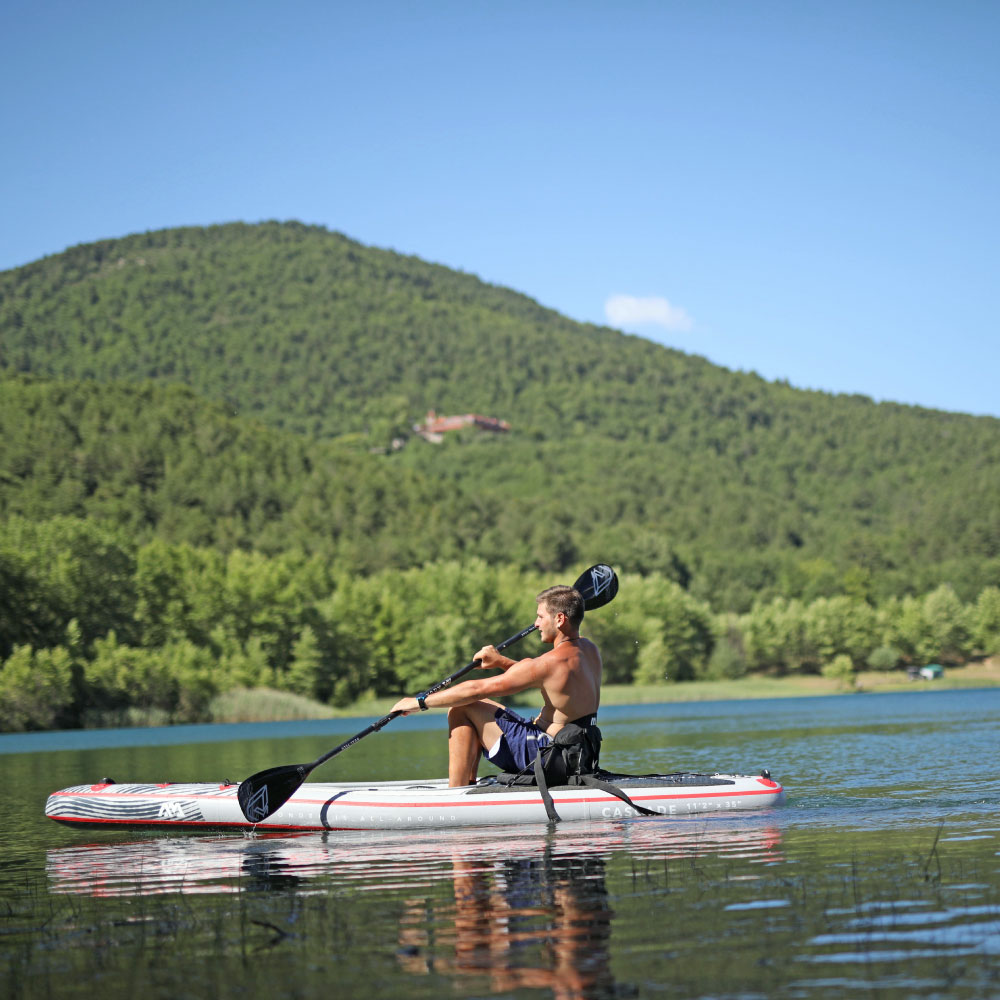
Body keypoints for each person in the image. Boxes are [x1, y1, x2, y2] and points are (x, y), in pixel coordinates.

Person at [391, 585, 602, 787]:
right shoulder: (590, 650)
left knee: (463, 707)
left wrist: (419, 702)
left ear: (559, 619)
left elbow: (475, 689)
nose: (536, 623)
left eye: (540, 616)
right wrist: (501, 662)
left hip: (548, 756)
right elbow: (545, 676)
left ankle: (456, 792)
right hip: (580, 755)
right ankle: (467, 784)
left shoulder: (549, 663)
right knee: (478, 704)